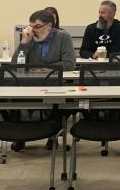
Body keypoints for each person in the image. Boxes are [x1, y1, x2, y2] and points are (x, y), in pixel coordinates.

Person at [9, 9, 75, 151]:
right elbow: (15, 66)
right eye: (31, 27)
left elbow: (69, 64)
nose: (33, 30)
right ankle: (19, 136)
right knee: (7, 100)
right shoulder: (29, 38)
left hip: (55, 86)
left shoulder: (63, 37)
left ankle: (53, 136)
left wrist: (45, 69)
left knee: (63, 104)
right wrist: (24, 43)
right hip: (31, 86)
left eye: (37, 26)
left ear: (49, 26)